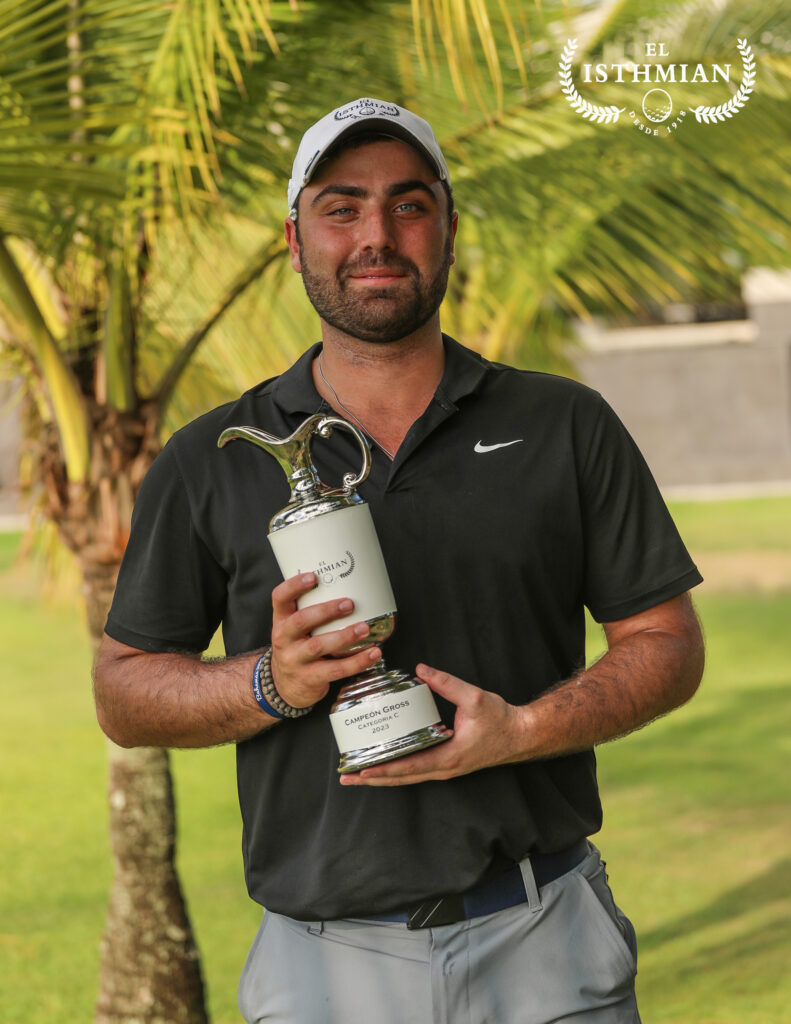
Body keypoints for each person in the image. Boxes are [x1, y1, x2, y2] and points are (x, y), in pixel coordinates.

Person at [94, 96, 705, 1023]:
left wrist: (523, 730)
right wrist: (271, 682)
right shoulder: (210, 457)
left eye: (408, 205)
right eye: (340, 208)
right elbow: (123, 692)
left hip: (542, 937)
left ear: (448, 228)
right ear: (295, 240)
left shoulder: (562, 424)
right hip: (322, 966)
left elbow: (666, 641)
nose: (375, 235)